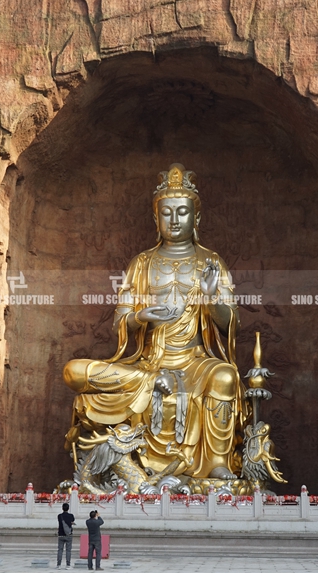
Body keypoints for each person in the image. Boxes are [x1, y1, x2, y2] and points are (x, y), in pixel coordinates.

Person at [63, 164, 245, 490]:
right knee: (73, 371)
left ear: (197, 218)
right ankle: (144, 410)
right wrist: (142, 316)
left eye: (183, 212)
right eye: (166, 213)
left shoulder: (211, 263)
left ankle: (215, 463)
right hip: (149, 365)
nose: (174, 220)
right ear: (156, 219)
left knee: (226, 375)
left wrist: (209, 297)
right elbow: (122, 320)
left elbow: (231, 324)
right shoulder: (142, 264)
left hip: (194, 361)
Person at [56, 503, 75, 569]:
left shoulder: (59, 516)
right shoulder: (71, 515)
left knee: (60, 550)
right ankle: (68, 565)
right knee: (68, 550)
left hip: (61, 534)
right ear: (68, 508)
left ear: (62, 508)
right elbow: (72, 521)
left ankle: (58, 565)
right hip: (68, 535)